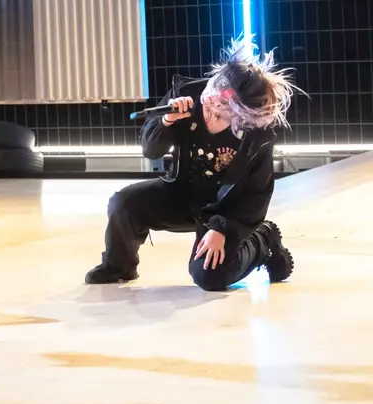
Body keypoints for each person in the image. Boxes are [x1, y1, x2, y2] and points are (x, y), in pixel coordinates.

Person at [85, 36, 299, 291]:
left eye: (221, 108)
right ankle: (119, 266)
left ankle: (263, 240)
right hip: (182, 192)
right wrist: (167, 121)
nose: (210, 105)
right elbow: (151, 150)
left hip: (223, 210)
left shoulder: (256, 133)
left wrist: (224, 229)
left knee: (211, 277)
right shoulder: (186, 94)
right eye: (212, 92)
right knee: (124, 203)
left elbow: (256, 195)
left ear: (241, 113)